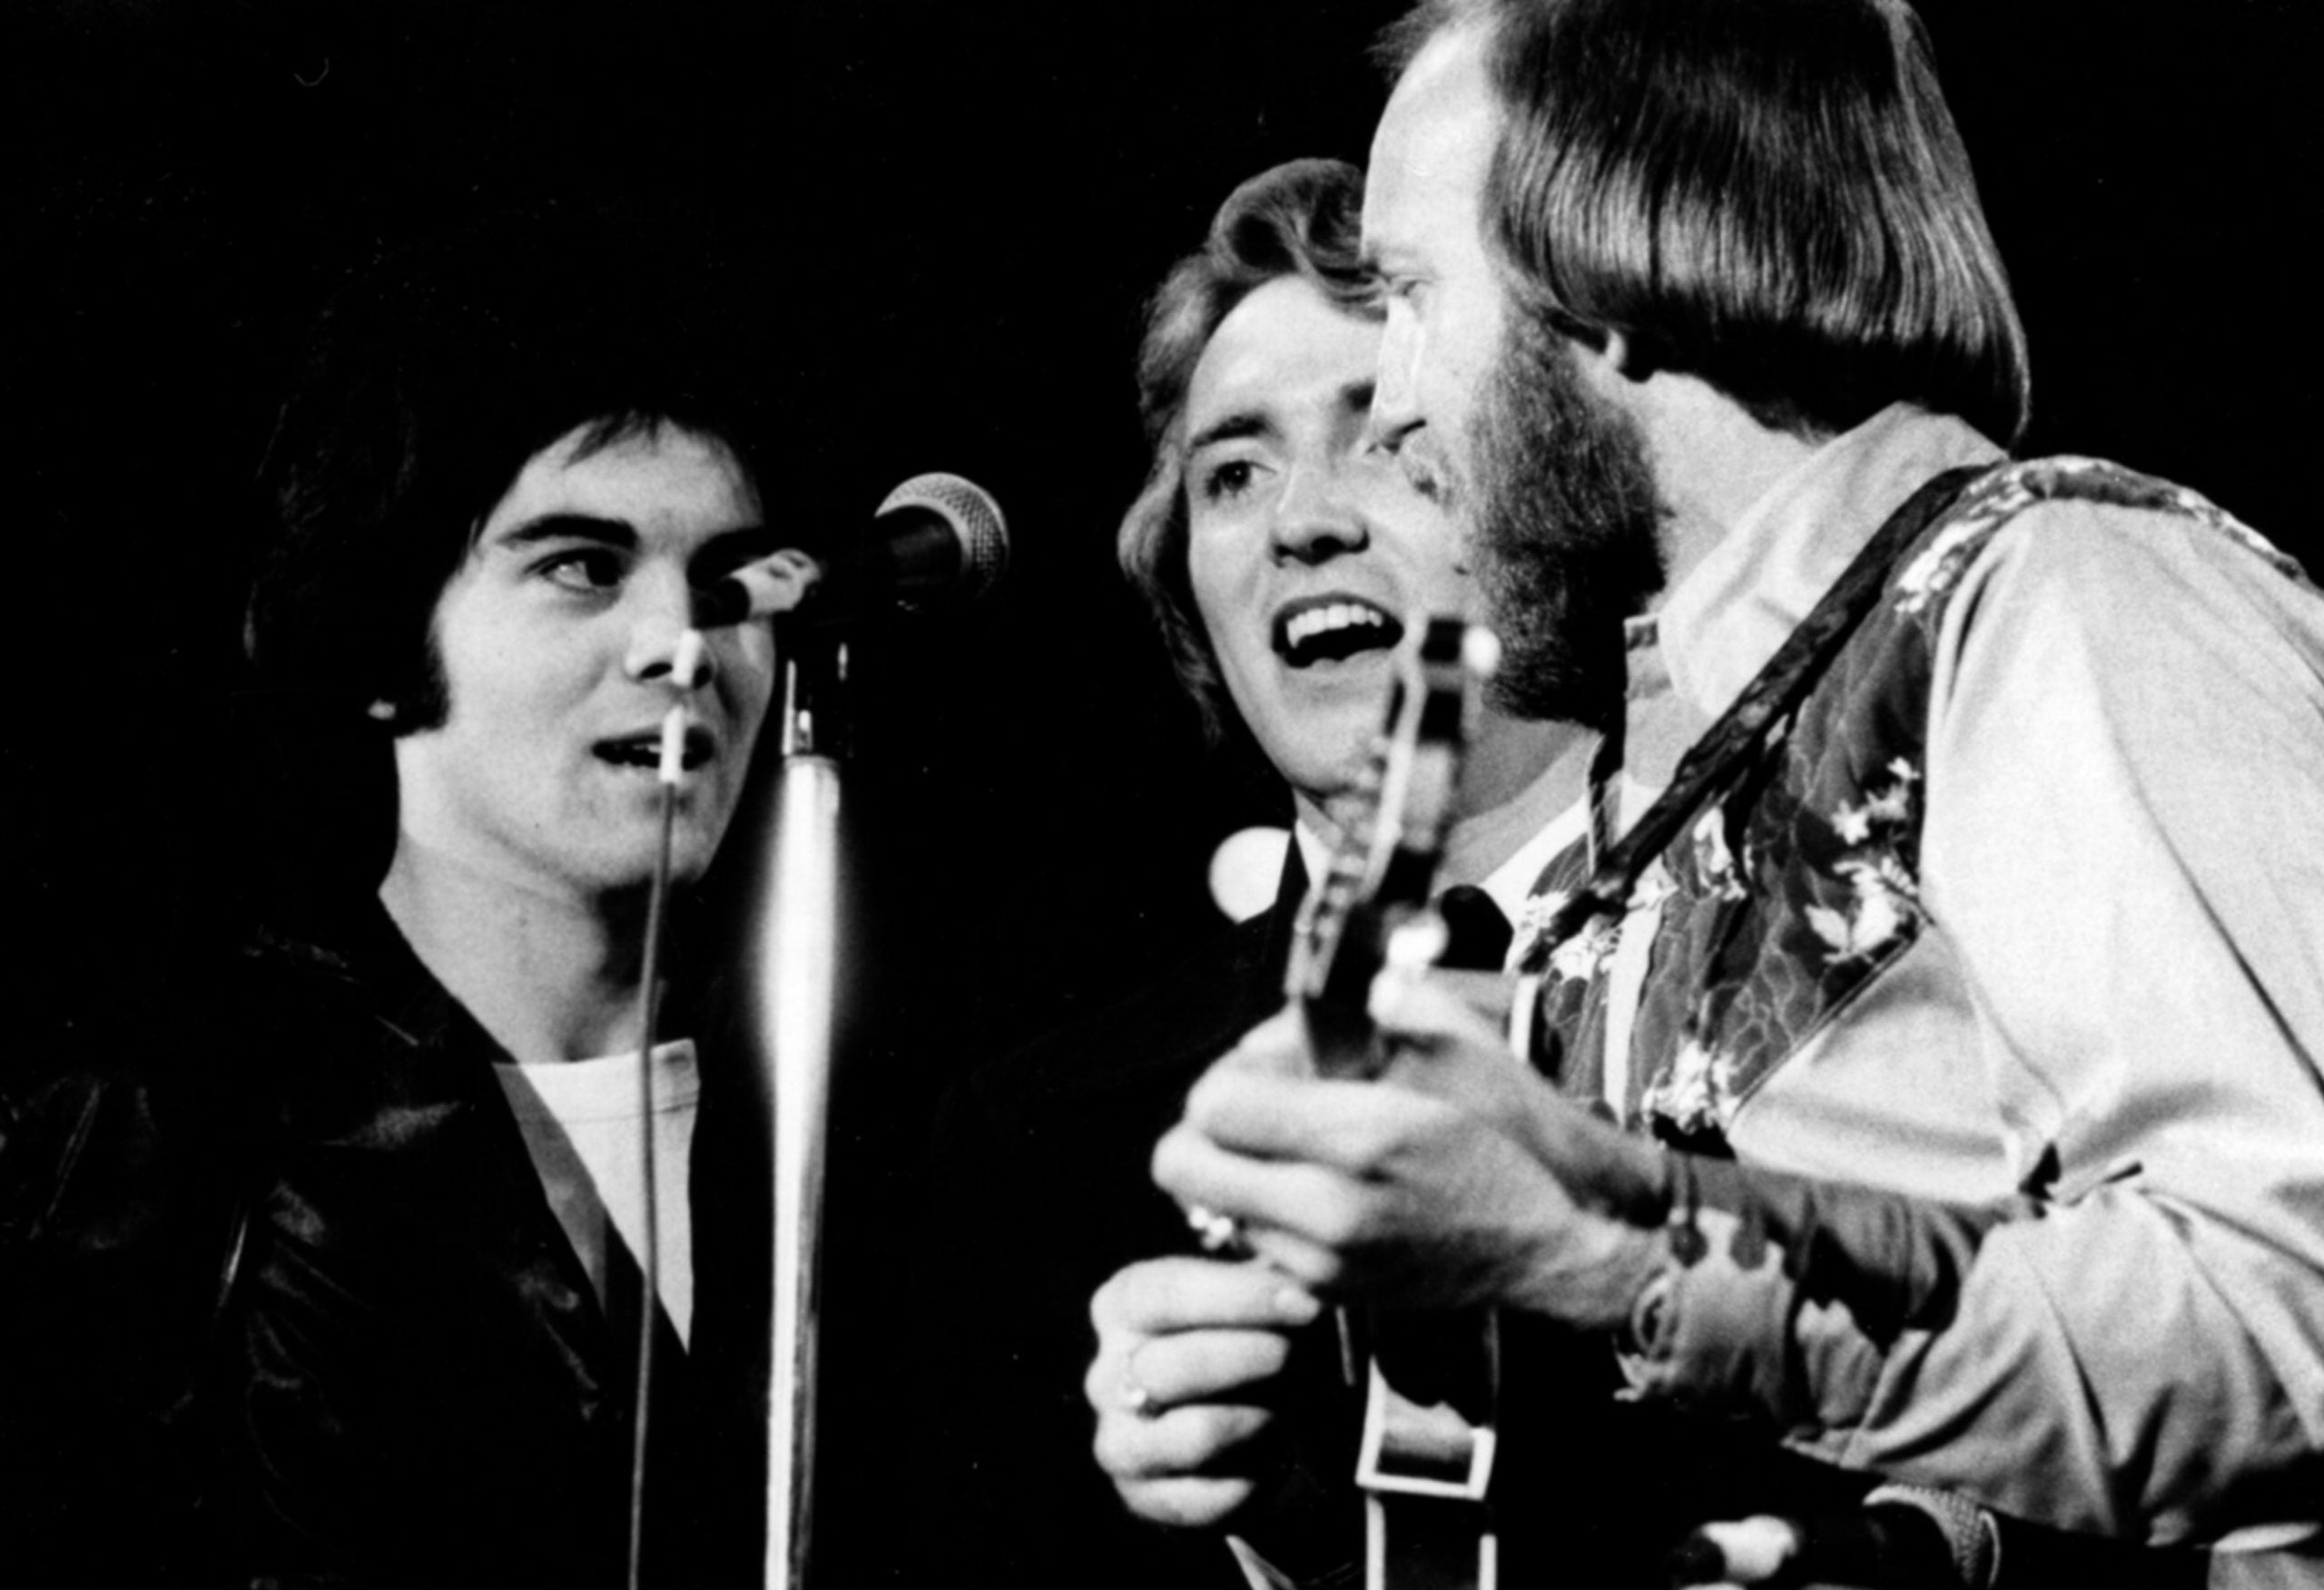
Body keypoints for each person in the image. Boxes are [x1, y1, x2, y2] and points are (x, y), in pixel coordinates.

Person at [1137, 2, 2324, 1586]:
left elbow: (2291, 1312)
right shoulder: (1666, 807)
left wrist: (1598, 1250)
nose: (1403, 414)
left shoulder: (2054, 595)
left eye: (1420, 300)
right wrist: (1327, 1467)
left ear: (1612, 262)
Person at [0, 208, 781, 1586]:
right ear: (379, 634)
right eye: (583, 568)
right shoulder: (162, 1139)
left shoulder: (874, 1128)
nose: (683, 645)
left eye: (729, 582)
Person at [926, 157, 1592, 1587]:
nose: (1304, 522)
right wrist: (1279, 1537)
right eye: (1235, 473)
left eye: (1387, 441)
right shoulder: (1046, 1137)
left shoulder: (1813, 986)